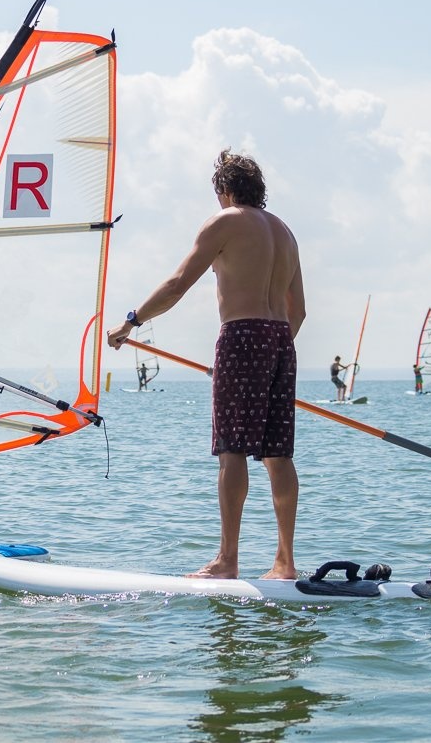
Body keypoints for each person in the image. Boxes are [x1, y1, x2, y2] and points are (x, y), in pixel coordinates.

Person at [107, 149, 305, 580]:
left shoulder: (225, 221)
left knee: (231, 450)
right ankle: (285, 562)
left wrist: (130, 322)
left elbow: (177, 285)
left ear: (225, 189)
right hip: (280, 340)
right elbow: (299, 311)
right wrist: (268, 353)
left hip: (242, 336)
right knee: (278, 454)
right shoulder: (284, 232)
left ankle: (227, 560)